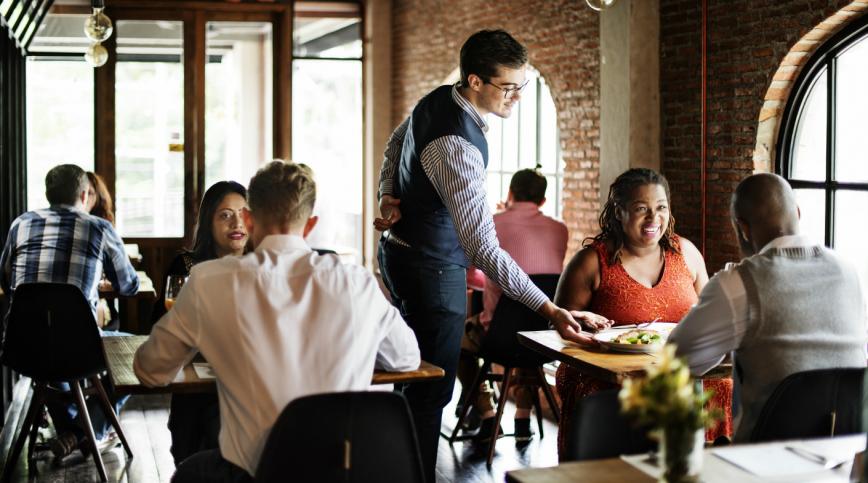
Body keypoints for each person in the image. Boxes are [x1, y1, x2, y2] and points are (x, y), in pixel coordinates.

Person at [375, 29, 599, 480]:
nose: (516, 97)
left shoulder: (437, 99)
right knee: (429, 392)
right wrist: (548, 307)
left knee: (412, 376)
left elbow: (396, 142)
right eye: (508, 87)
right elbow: (482, 247)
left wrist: (387, 193)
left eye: (523, 85)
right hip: (432, 271)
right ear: (475, 81)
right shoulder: (458, 147)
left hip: (396, 255)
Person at [134, 160, 420, 482]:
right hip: (348, 471)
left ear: (251, 220)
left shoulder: (207, 282)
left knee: (189, 472)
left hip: (258, 475)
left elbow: (150, 370)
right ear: (310, 224)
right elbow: (406, 357)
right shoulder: (358, 283)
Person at [669, 173, 868, 442]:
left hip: (765, 459)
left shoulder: (738, 283)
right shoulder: (849, 271)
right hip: (845, 454)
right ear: (797, 213)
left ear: (743, 228)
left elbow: (678, 358)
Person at [554, 168, 731, 457]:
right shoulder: (591, 262)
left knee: (719, 382)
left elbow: (711, 315)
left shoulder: (685, 253)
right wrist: (578, 320)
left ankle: (703, 469)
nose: (653, 218)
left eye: (661, 208)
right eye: (641, 209)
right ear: (618, 212)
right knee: (598, 391)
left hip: (679, 367)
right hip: (606, 374)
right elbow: (560, 327)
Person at [0, 164, 139, 460]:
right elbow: (128, 287)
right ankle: (82, 432)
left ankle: (72, 432)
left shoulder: (20, 223)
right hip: (79, 348)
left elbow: (6, 278)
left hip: (21, 347)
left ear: (47, 194)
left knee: (52, 361)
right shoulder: (100, 228)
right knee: (141, 352)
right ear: (85, 193)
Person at [457, 168, 568, 443]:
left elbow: (473, 276)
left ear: (510, 193)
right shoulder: (560, 229)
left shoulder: (491, 224)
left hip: (499, 338)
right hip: (544, 338)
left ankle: (487, 413)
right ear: (543, 201)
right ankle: (522, 416)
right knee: (528, 331)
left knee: (456, 341)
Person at [149, 181, 249, 465]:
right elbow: (160, 326)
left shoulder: (263, 265)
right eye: (225, 215)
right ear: (209, 221)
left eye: (243, 213)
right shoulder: (188, 265)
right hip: (197, 385)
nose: (237, 222)